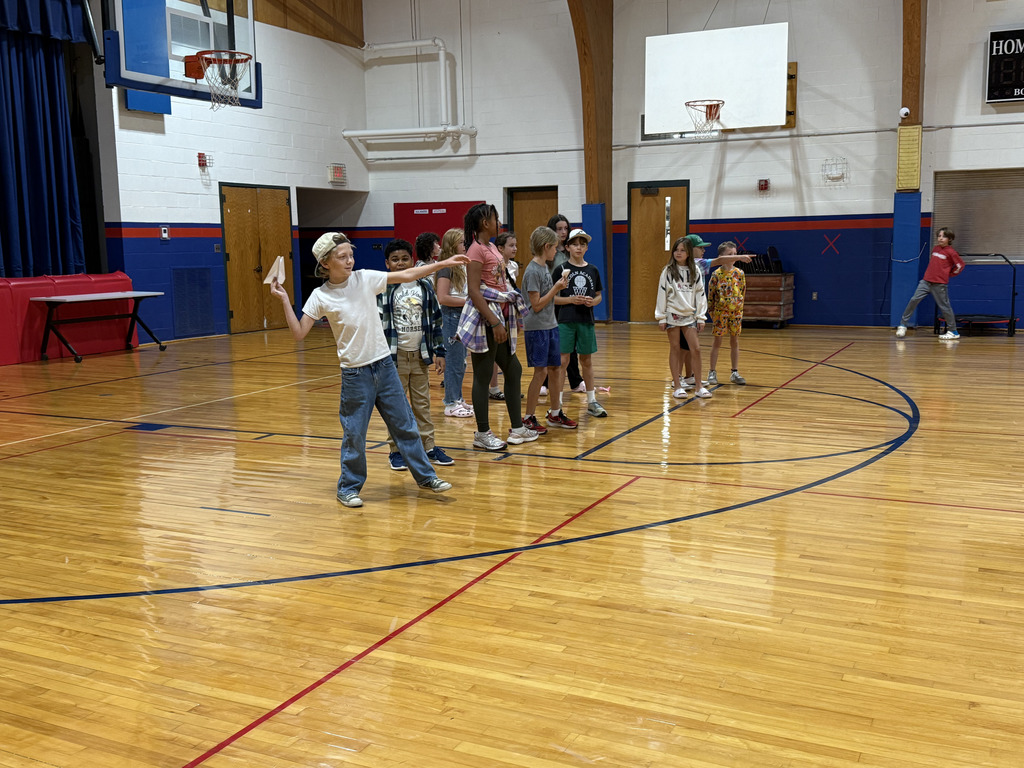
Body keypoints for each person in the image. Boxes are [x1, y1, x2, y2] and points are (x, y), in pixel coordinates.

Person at [269, 232, 465, 508]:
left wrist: (442, 263)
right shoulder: (320, 296)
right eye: (342, 257)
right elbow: (300, 333)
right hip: (355, 374)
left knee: (405, 425)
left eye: (351, 255)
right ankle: (348, 488)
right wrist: (283, 299)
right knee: (354, 434)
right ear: (325, 263)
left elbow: (408, 275)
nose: (349, 260)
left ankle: (426, 476)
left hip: (385, 366)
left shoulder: (364, 278)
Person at [462, 203, 537, 451]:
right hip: (486, 319)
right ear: (485, 222)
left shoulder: (491, 246)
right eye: (496, 219)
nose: (499, 223)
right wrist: (494, 321)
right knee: (483, 376)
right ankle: (482, 433)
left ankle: (517, 427)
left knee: (513, 370)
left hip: (501, 316)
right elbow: (474, 291)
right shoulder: (475, 251)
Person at [378, 239, 454, 470]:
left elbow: (436, 321)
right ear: (387, 264)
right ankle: (396, 450)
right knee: (396, 406)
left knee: (422, 404)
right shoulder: (382, 287)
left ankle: (428, 446)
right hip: (394, 357)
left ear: (412, 260)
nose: (401, 264)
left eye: (405, 259)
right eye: (395, 260)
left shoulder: (424, 286)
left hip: (419, 356)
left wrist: (440, 352)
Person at [677, 234, 752, 388]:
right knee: (683, 347)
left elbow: (742, 292)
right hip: (685, 311)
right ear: (690, 250)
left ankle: (689, 376)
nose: (704, 250)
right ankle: (678, 379)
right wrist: (741, 257)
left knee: (690, 347)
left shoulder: (698, 264)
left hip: (696, 311)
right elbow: (717, 264)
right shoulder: (697, 265)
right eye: (700, 247)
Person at [521, 226, 573, 433]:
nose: (557, 252)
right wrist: (556, 288)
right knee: (540, 371)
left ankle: (554, 412)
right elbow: (536, 305)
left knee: (555, 368)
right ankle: (528, 417)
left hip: (550, 324)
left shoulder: (544, 268)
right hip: (536, 328)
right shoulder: (533, 271)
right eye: (555, 248)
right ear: (546, 247)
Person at [553, 228, 607, 419]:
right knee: (562, 361)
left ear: (586, 248)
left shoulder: (592, 270)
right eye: (575, 244)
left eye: (582, 244)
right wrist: (570, 300)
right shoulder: (560, 270)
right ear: (567, 247)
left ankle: (592, 401)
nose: (579, 247)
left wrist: (593, 301)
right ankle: (557, 403)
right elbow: (552, 298)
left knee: (586, 361)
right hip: (565, 321)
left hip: (586, 321)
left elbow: (599, 295)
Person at [655, 235, 711, 399]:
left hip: (690, 315)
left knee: (696, 349)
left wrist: (701, 317)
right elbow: (662, 293)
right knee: (675, 348)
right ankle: (677, 385)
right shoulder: (668, 271)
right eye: (676, 250)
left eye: (682, 251)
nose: (678, 253)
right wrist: (661, 317)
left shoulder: (695, 271)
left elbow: (700, 295)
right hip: (672, 314)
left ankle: (699, 386)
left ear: (688, 253)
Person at [896, 227, 965, 340]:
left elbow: (960, 265)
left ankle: (953, 331)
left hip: (939, 284)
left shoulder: (951, 252)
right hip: (926, 281)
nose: (940, 238)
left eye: (943, 236)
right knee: (914, 300)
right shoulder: (935, 249)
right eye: (939, 236)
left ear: (950, 239)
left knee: (945, 307)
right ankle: (903, 325)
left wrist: (949, 274)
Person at [434, 228, 474, 418]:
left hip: (463, 316)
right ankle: (450, 403)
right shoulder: (446, 267)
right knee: (453, 362)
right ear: (452, 245)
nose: (465, 245)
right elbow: (443, 297)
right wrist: (469, 301)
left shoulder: (462, 265)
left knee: (461, 362)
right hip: (452, 317)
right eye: (462, 242)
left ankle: (457, 398)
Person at [545, 213, 584, 394]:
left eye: (565, 228)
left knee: (570, 344)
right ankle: (545, 382)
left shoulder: (569, 250)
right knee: (553, 344)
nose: (562, 232)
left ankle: (575, 381)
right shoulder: (549, 254)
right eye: (559, 229)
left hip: (568, 302)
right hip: (552, 302)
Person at [706, 241, 747, 386]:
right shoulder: (716, 274)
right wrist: (712, 312)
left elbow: (742, 291)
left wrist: (739, 309)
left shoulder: (739, 273)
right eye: (729, 254)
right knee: (717, 342)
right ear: (721, 257)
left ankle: (734, 372)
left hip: (735, 314)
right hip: (720, 313)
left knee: (734, 341)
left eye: (735, 254)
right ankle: (712, 371)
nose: (733, 257)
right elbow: (710, 295)